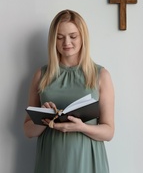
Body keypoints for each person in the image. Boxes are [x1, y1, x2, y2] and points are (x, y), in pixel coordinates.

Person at [24, 9, 115, 173]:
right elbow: (28, 130)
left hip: (87, 160)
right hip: (52, 161)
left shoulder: (100, 75)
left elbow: (108, 132)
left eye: (73, 36)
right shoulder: (41, 75)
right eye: (60, 37)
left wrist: (81, 127)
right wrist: (45, 118)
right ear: (53, 40)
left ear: (82, 37)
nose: (66, 42)